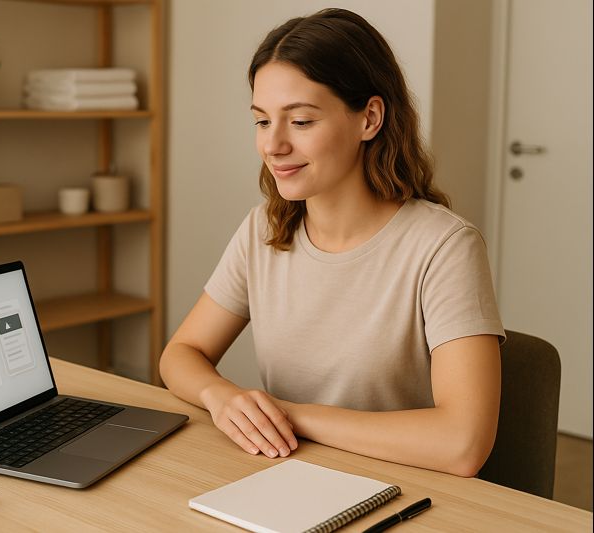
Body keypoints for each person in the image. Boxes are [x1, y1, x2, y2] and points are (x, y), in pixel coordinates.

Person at [159, 8, 504, 477]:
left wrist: (285, 415)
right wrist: (222, 397)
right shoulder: (264, 230)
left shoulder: (444, 247)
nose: (273, 145)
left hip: (407, 492)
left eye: (300, 122)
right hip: (288, 477)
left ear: (370, 118)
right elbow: (180, 355)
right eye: (262, 122)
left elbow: (463, 445)